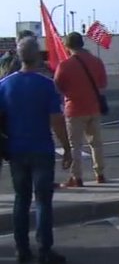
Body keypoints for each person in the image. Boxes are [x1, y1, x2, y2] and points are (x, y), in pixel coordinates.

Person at [0, 38, 72, 264]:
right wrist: (67, 148)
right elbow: (57, 120)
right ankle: (44, 249)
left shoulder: (5, 85)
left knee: (21, 199)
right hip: (41, 148)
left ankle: (22, 249)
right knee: (43, 201)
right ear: (38, 56)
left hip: (16, 149)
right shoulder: (46, 85)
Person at [54, 32, 108, 187]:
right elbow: (103, 86)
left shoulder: (65, 65)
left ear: (68, 46)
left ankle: (76, 177)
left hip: (74, 108)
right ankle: (100, 174)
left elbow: (57, 87)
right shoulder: (97, 62)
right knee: (96, 143)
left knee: (75, 146)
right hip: (93, 107)